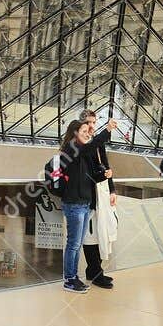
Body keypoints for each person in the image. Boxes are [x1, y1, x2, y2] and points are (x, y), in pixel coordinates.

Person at [51, 117, 119, 293]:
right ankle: (69, 280)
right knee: (73, 244)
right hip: (74, 204)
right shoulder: (72, 149)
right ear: (74, 135)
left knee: (77, 243)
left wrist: (105, 175)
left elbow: (91, 178)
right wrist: (108, 130)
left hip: (84, 203)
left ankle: (74, 278)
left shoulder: (83, 153)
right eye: (83, 132)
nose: (87, 134)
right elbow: (91, 145)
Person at [80, 108, 119, 289]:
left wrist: (111, 189)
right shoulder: (79, 142)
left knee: (99, 233)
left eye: (94, 123)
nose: (92, 126)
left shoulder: (95, 142)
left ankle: (95, 270)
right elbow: (88, 169)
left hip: (100, 193)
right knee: (91, 236)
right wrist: (108, 130)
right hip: (88, 195)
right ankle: (95, 272)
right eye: (89, 123)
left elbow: (105, 163)